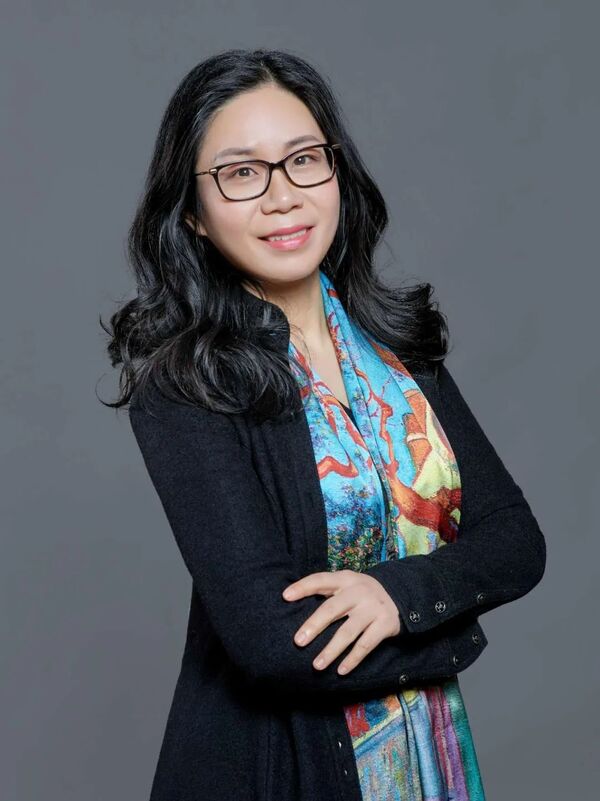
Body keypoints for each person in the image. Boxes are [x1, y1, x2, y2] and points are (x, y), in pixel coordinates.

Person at [102, 48, 546, 801]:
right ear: (193, 213)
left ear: (336, 172)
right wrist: (458, 635)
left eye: (304, 159)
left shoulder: (400, 349)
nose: (283, 196)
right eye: (242, 173)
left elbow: (515, 541)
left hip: (429, 760)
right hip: (276, 771)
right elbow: (274, 642)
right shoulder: (186, 384)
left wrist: (395, 598)